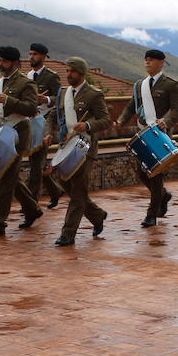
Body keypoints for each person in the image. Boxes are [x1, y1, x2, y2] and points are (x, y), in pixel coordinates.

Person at [0, 46, 44, 237]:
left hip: (18, 133)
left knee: (5, 179)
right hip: (0, 132)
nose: (0, 64)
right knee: (10, 177)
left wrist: (9, 101)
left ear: (14, 63)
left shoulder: (25, 83)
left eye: (4, 61)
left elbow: (31, 108)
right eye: (0, 60)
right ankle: (32, 209)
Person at [47, 57, 110, 245]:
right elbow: (52, 115)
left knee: (78, 191)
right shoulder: (63, 94)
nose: (69, 75)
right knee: (68, 185)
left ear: (81, 73)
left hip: (85, 145)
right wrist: (49, 133)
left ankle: (67, 234)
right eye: (67, 71)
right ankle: (97, 215)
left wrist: (88, 125)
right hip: (67, 145)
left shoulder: (93, 94)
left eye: (72, 71)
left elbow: (105, 120)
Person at [116, 49, 178, 227]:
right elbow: (132, 105)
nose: (147, 62)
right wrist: (121, 120)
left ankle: (151, 214)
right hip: (143, 132)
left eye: (151, 60)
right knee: (141, 173)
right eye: (146, 60)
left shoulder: (170, 85)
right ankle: (163, 195)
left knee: (155, 173)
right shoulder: (140, 85)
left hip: (160, 133)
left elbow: (176, 108)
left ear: (161, 62)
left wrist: (166, 121)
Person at [23, 42, 63, 208]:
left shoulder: (51, 76)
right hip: (29, 123)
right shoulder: (28, 76)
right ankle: (55, 191)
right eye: (30, 53)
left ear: (43, 57)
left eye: (35, 54)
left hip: (43, 123)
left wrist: (46, 99)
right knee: (36, 165)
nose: (31, 57)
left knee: (35, 166)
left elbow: (60, 98)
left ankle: (31, 204)